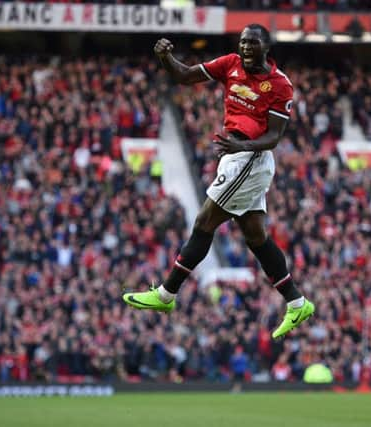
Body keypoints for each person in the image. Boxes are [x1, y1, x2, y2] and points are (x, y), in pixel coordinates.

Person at [122, 24, 314, 339]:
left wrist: (242, 146)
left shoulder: (280, 85)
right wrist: (165, 58)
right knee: (255, 236)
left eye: (252, 43)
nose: (246, 48)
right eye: (242, 42)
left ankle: (166, 294)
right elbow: (183, 76)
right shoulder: (229, 64)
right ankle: (297, 302)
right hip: (236, 156)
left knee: (204, 222)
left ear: (266, 46)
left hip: (250, 157)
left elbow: (275, 137)